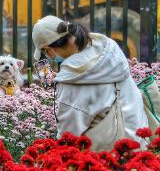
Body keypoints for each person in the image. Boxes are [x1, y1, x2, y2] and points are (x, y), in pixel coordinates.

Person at [32, 15, 148, 151]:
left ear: (49, 50)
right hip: (140, 141)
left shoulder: (70, 83)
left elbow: (68, 136)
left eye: (45, 53)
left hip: (111, 156)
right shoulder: (108, 50)